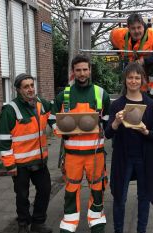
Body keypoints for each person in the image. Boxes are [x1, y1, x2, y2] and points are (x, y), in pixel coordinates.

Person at [52, 54, 110, 233]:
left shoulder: (101, 93)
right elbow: (52, 117)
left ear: (90, 70)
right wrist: (60, 130)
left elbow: (107, 120)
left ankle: (97, 223)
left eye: (85, 69)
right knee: (71, 190)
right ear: (73, 72)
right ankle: (69, 225)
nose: (82, 73)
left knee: (97, 189)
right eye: (78, 70)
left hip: (95, 154)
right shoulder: (64, 95)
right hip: (72, 155)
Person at [105, 63, 153, 233]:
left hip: (145, 157)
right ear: (125, 80)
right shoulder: (117, 105)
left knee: (143, 197)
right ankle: (118, 230)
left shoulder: (150, 104)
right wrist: (116, 122)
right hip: (124, 157)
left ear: (143, 80)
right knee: (120, 198)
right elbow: (107, 134)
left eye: (137, 77)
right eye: (130, 77)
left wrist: (145, 130)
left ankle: (141, 230)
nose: (134, 81)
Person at [0, 73, 53, 233]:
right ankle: (23, 224)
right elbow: (3, 139)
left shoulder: (41, 103)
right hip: (20, 164)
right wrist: (9, 165)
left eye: (32, 85)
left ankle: (38, 223)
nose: (30, 89)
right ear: (18, 90)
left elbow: (55, 110)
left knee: (45, 190)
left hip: (39, 161)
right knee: (22, 196)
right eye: (26, 87)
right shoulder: (10, 109)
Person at [110, 13, 153, 99]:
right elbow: (112, 35)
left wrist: (144, 60)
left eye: (139, 27)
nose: (136, 31)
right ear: (128, 29)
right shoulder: (120, 34)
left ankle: (152, 95)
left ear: (143, 26)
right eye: (133, 28)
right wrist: (116, 49)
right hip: (130, 68)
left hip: (149, 69)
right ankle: (130, 94)